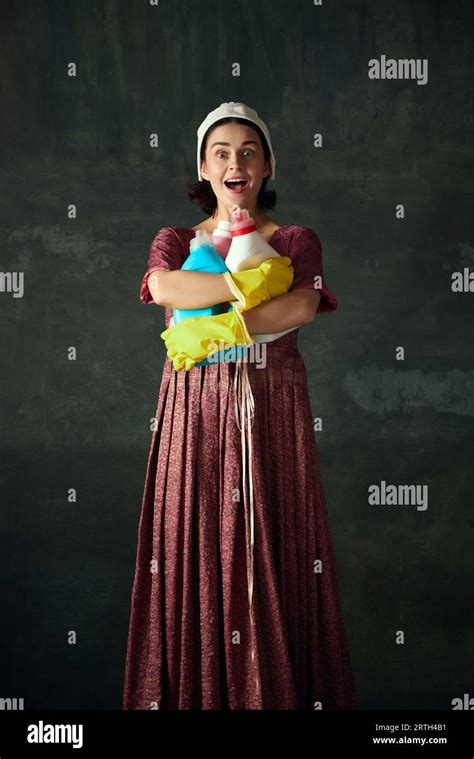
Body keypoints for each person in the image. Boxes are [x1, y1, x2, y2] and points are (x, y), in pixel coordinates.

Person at [122, 102, 357, 710]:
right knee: (192, 547)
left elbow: (300, 310)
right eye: (222, 152)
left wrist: (206, 325)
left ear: (268, 164)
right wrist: (255, 285)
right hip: (191, 413)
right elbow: (165, 287)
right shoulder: (175, 239)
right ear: (204, 168)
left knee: (273, 550)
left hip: (272, 405)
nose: (236, 162)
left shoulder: (297, 239)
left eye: (249, 151)